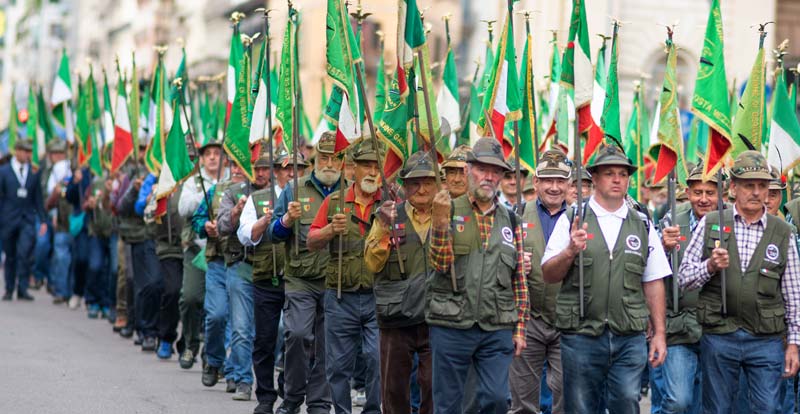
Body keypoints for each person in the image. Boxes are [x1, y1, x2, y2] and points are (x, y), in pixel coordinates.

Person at [541, 144, 670, 414]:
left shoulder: (642, 223)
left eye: (622, 174)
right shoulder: (572, 217)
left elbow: (654, 280)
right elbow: (548, 273)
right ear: (595, 179)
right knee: (581, 407)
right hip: (581, 335)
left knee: (626, 402)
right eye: (609, 173)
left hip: (628, 336)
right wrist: (569, 251)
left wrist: (659, 333)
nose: (616, 179)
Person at [678, 150, 800, 412]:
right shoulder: (711, 222)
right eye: (749, 186)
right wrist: (710, 266)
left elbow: (794, 294)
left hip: (766, 340)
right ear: (733, 188)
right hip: (720, 335)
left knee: (768, 408)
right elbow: (684, 278)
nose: (757, 192)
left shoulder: (783, 232)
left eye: (762, 186)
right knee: (718, 409)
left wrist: (793, 344)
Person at [427, 137, 528, 414]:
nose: (489, 176)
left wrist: (520, 328)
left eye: (495, 171)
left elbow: (519, 278)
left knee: (496, 398)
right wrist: (439, 224)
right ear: (469, 170)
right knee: (448, 405)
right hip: (451, 324)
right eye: (483, 169)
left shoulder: (511, 220)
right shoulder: (448, 207)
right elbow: (438, 264)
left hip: (496, 326)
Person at [306, 139, 384, 414]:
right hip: (341, 297)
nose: (372, 171)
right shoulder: (335, 201)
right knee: (338, 366)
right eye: (366, 166)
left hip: (377, 297)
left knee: (376, 360)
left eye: (376, 166)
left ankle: (373, 410)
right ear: (353, 169)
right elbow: (311, 240)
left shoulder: (389, 203)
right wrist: (329, 231)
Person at [269, 131, 341, 414]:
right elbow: (274, 235)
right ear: (314, 160)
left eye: (335, 158)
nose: (329, 163)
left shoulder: (350, 190)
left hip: (335, 279)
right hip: (300, 278)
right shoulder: (294, 189)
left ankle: (319, 402)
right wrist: (287, 219)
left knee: (326, 345)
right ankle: (292, 396)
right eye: (323, 158)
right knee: (297, 335)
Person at [365, 151, 436, 414]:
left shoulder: (447, 216)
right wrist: (384, 227)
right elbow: (372, 263)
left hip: (436, 316)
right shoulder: (387, 215)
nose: (421, 188)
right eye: (415, 183)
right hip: (396, 316)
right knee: (393, 390)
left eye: (428, 181)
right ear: (404, 186)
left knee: (433, 387)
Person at [651, 163, 718, 414]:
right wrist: (663, 247)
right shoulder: (672, 219)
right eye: (697, 192)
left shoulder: (731, 220)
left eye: (710, 192)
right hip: (679, 325)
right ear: (687, 192)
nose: (703, 199)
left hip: (718, 326)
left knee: (710, 403)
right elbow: (651, 268)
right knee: (678, 400)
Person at [509, 149, 569, 414]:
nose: (554, 187)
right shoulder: (515, 214)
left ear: (569, 183)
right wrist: (512, 260)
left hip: (568, 320)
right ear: (536, 182)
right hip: (527, 318)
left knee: (566, 395)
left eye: (560, 180)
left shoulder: (583, 216)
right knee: (523, 399)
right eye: (547, 180)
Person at [236, 152, 288, 410]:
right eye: (285, 168)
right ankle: (266, 396)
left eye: (297, 168)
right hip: (267, 278)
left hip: (298, 279)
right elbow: (245, 235)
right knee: (265, 340)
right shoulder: (258, 199)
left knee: (297, 336)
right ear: (275, 171)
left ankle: (289, 385)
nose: (291, 173)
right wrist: (262, 222)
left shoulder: (307, 197)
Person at [178, 140, 226, 370]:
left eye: (217, 153)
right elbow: (183, 208)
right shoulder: (193, 182)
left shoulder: (230, 181)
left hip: (222, 252)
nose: (213, 158)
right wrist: (209, 195)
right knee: (190, 298)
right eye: (209, 154)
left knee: (216, 307)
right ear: (202, 158)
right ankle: (190, 342)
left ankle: (212, 351)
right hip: (197, 249)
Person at [0, 139, 47, 301]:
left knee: (25, 253)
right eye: (24, 151)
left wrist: (43, 220)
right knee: (10, 255)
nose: (27, 155)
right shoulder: (4, 171)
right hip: (8, 220)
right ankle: (9, 288)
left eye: (29, 152)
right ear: (17, 151)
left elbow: (38, 199)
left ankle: (23, 288)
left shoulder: (34, 172)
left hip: (26, 219)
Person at [43, 140, 74, 305]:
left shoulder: (77, 173)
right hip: (61, 224)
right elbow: (48, 203)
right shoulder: (55, 172)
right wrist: (56, 191)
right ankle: (61, 291)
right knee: (61, 258)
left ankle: (74, 291)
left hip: (76, 223)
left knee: (75, 260)